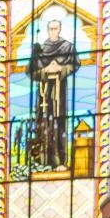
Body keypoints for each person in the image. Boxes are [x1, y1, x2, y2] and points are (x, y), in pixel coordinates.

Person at [29, 19, 79, 169]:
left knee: (59, 124)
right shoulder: (41, 49)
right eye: (50, 29)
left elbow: (75, 64)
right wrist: (44, 71)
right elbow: (31, 71)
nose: (53, 31)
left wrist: (60, 68)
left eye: (55, 28)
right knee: (43, 122)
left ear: (60, 29)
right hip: (43, 93)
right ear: (47, 30)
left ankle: (60, 161)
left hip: (59, 91)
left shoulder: (67, 46)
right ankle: (42, 160)